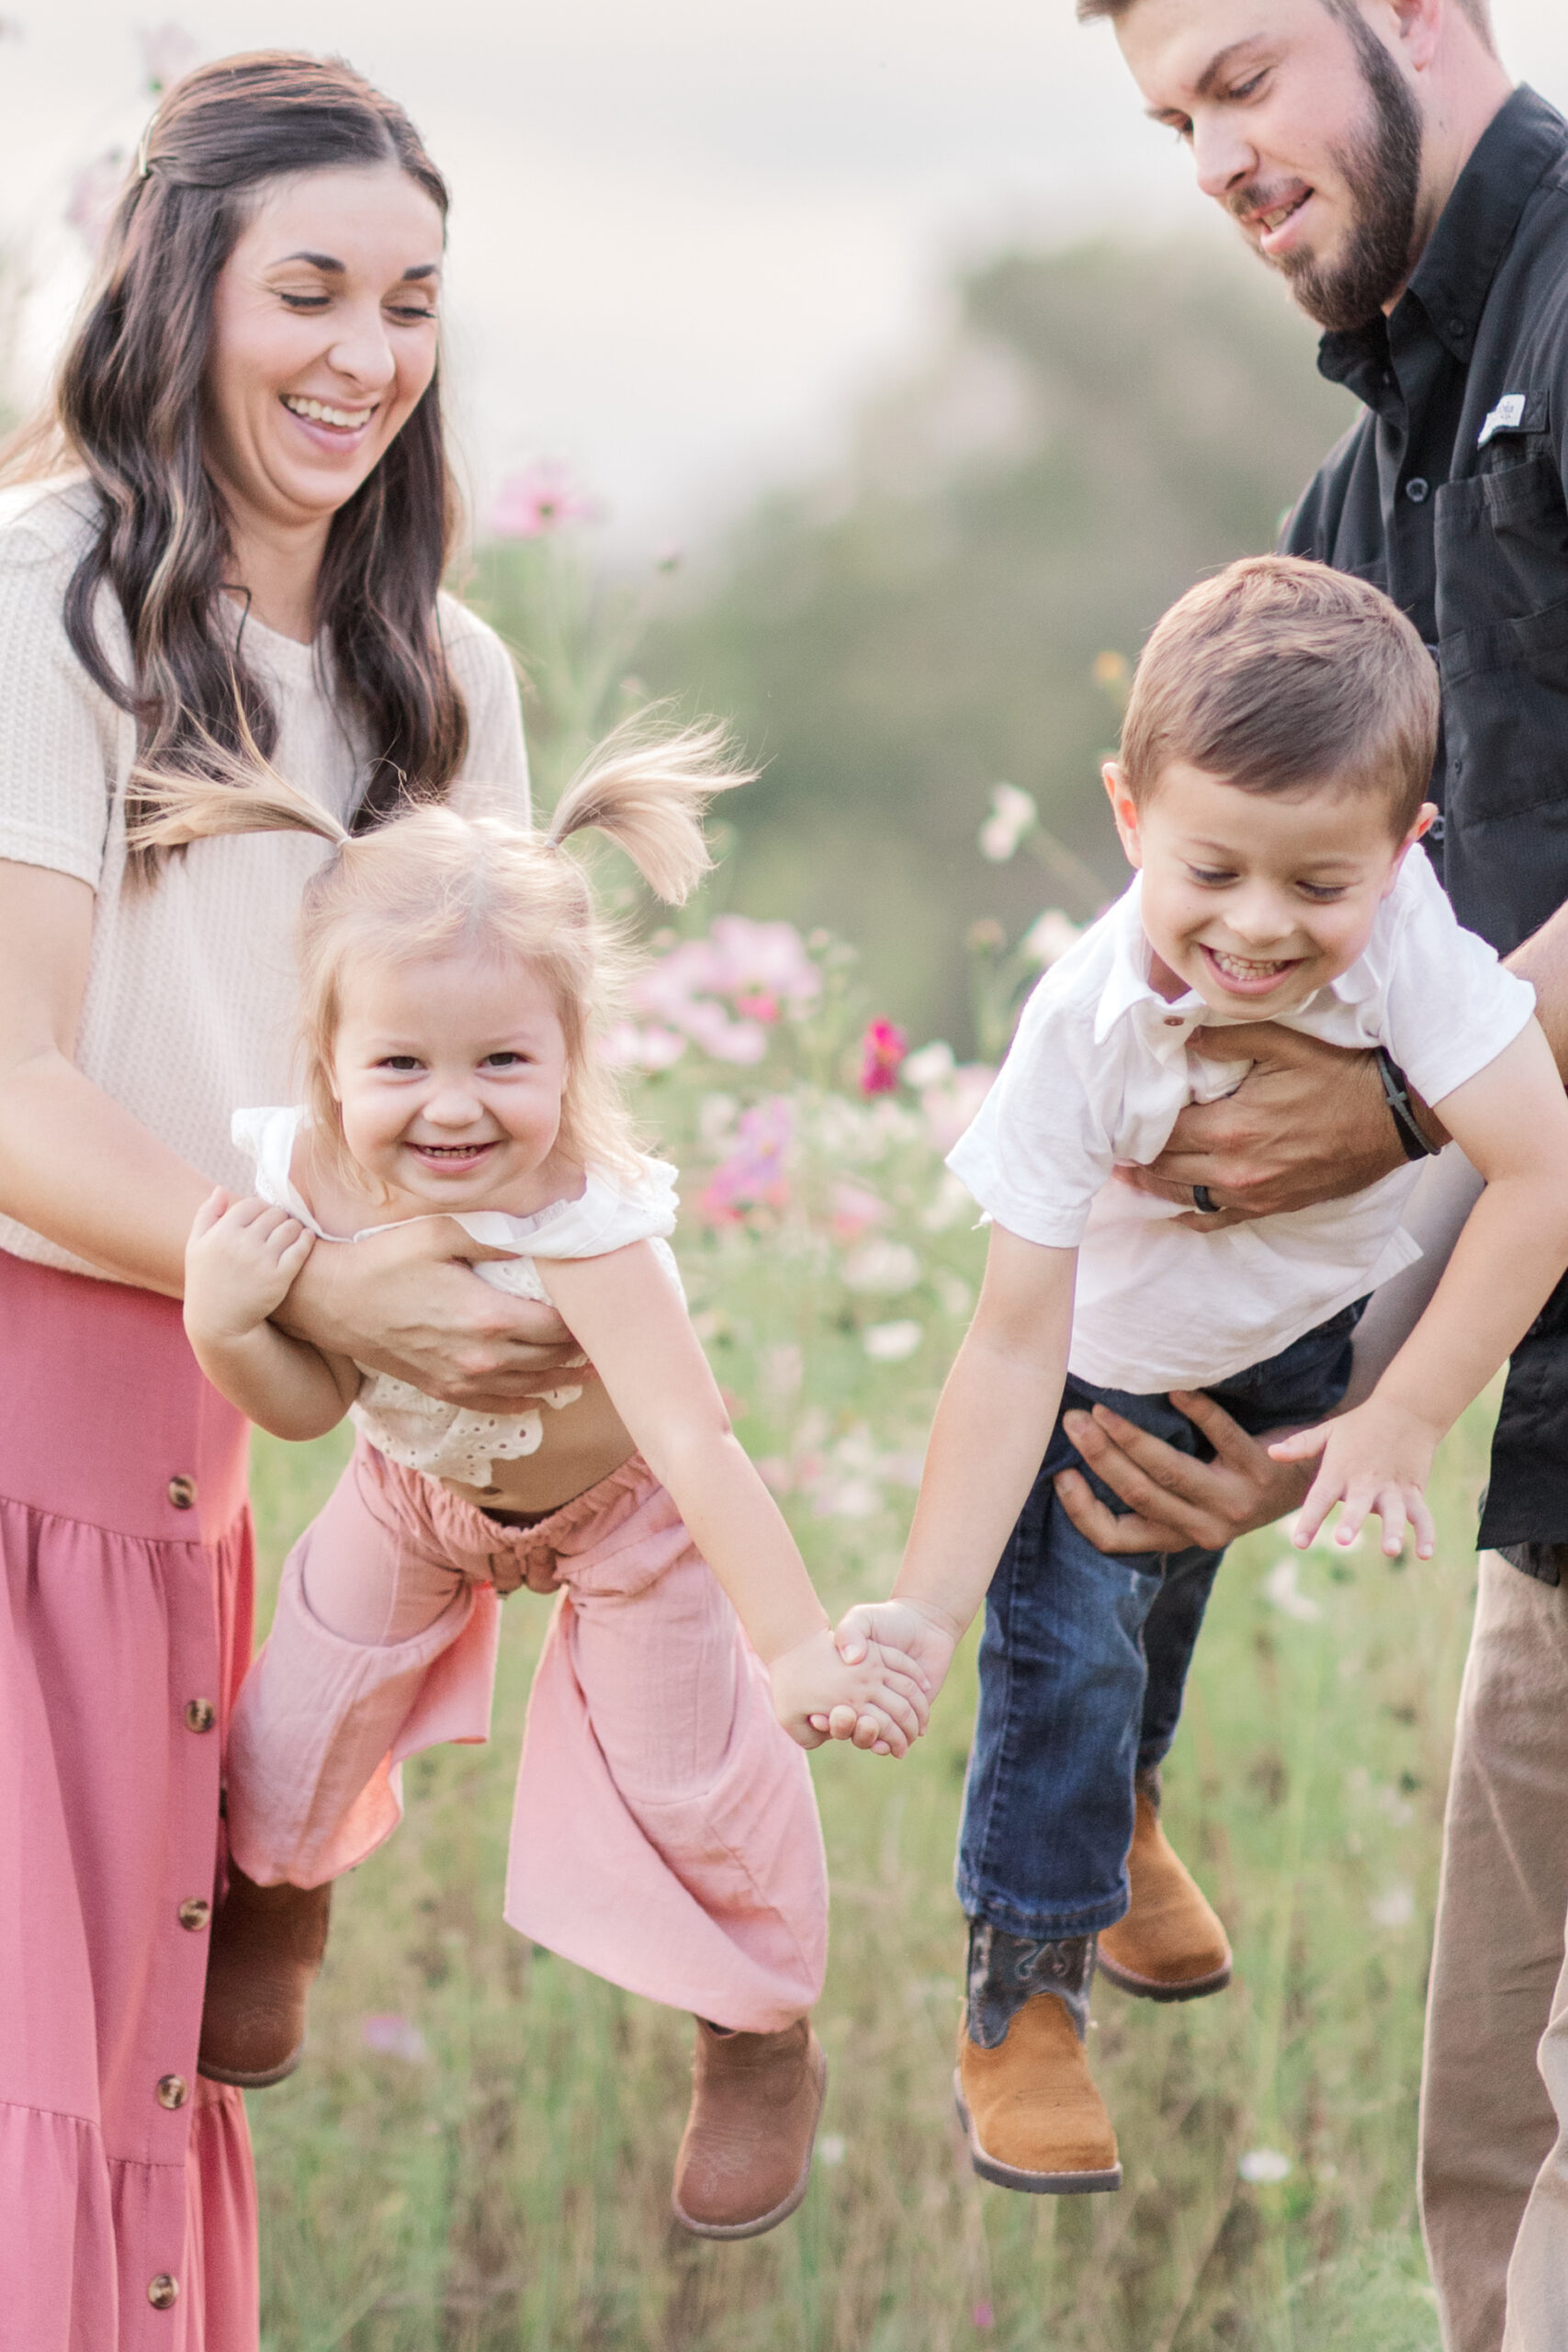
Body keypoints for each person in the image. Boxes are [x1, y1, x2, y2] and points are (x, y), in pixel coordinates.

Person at [0, 51, 575, 2347]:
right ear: (176, 291)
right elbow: (9, 1079)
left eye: (412, 305)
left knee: (152, 2086)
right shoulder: (48, 598)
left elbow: (506, 1113)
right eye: (309, 292)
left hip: (248, 1460)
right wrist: (331, 1277)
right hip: (28, 1429)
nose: (363, 357)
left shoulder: (444, 683)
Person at [835, 553, 1568, 2192]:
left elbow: (1546, 1174)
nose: (1259, 926)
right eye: (1211, 869)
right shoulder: (1083, 1029)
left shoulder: (1415, 948)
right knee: (1071, 1665)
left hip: (1292, 1348)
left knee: (1163, 1632)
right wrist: (922, 1614)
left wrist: (1404, 1409)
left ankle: (1135, 1815)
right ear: (1127, 817)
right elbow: (1009, 1335)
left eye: (1320, 885)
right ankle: (1023, 1991)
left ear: (1406, 850)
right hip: (1097, 1380)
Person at [142, 730, 928, 2242]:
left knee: (689, 1772)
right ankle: (281, 1896)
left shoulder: (590, 1227)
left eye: (503, 1060)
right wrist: (226, 1320)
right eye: (400, 1067)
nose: (452, 1108)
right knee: (293, 1714)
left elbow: (696, 1444)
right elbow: (308, 1415)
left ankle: (755, 2030)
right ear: (327, 1064)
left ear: (574, 1059)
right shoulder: (303, 1184)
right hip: (409, 1497)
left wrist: (799, 1648)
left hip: (624, 1523)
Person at [1075, 3, 1568, 2344]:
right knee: (1485, 2192)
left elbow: (1409, 1080)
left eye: (1244, 74)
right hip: (1542, 1480)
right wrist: (1292, 1416)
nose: (1212, 158)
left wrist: (1391, 1111)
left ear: (1421, 21)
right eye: (1175, 119)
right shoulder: (1349, 513)